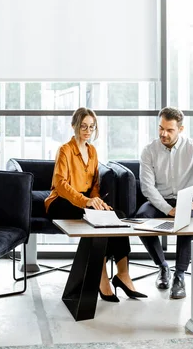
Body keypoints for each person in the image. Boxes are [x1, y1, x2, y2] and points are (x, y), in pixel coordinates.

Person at [45, 107, 146, 302]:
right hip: (61, 201)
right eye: (83, 126)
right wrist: (87, 202)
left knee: (118, 214)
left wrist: (97, 200)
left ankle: (123, 274)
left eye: (91, 127)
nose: (87, 130)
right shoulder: (65, 150)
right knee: (95, 219)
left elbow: (94, 186)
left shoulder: (92, 151)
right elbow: (61, 184)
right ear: (74, 126)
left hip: (84, 201)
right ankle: (101, 277)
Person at [138, 107, 193, 299]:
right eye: (161, 128)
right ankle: (162, 267)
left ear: (181, 129)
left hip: (188, 200)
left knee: (186, 218)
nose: (163, 133)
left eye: (169, 130)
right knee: (141, 217)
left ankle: (179, 275)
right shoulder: (149, 151)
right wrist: (168, 210)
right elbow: (147, 187)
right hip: (161, 200)